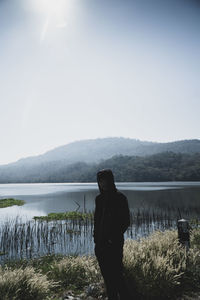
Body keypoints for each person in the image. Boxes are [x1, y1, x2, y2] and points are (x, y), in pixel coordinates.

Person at [93, 169, 131, 300]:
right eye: (100, 180)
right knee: (107, 279)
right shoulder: (99, 199)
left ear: (111, 180)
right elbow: (96, 221)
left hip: (114, 245)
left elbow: (125, 222)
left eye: (104, 179)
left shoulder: (120, 198)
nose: (102, 183)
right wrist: (96, 240)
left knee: (118, 276)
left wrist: (111, 239)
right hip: (100, 246)